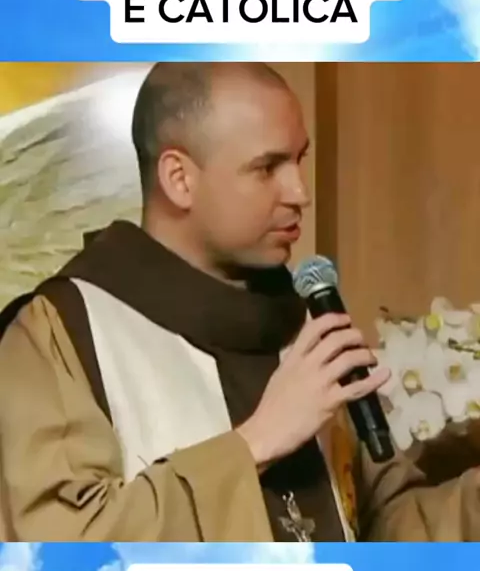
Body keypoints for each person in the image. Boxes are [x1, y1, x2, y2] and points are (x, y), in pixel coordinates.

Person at [0, 62, 478, 543]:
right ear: (179, 178)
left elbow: (389, 527)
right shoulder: (61, 332)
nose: (300, 193)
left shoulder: (304, 321)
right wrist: (256, 443)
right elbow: (60, 550)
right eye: (267, 167)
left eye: (299, 160)